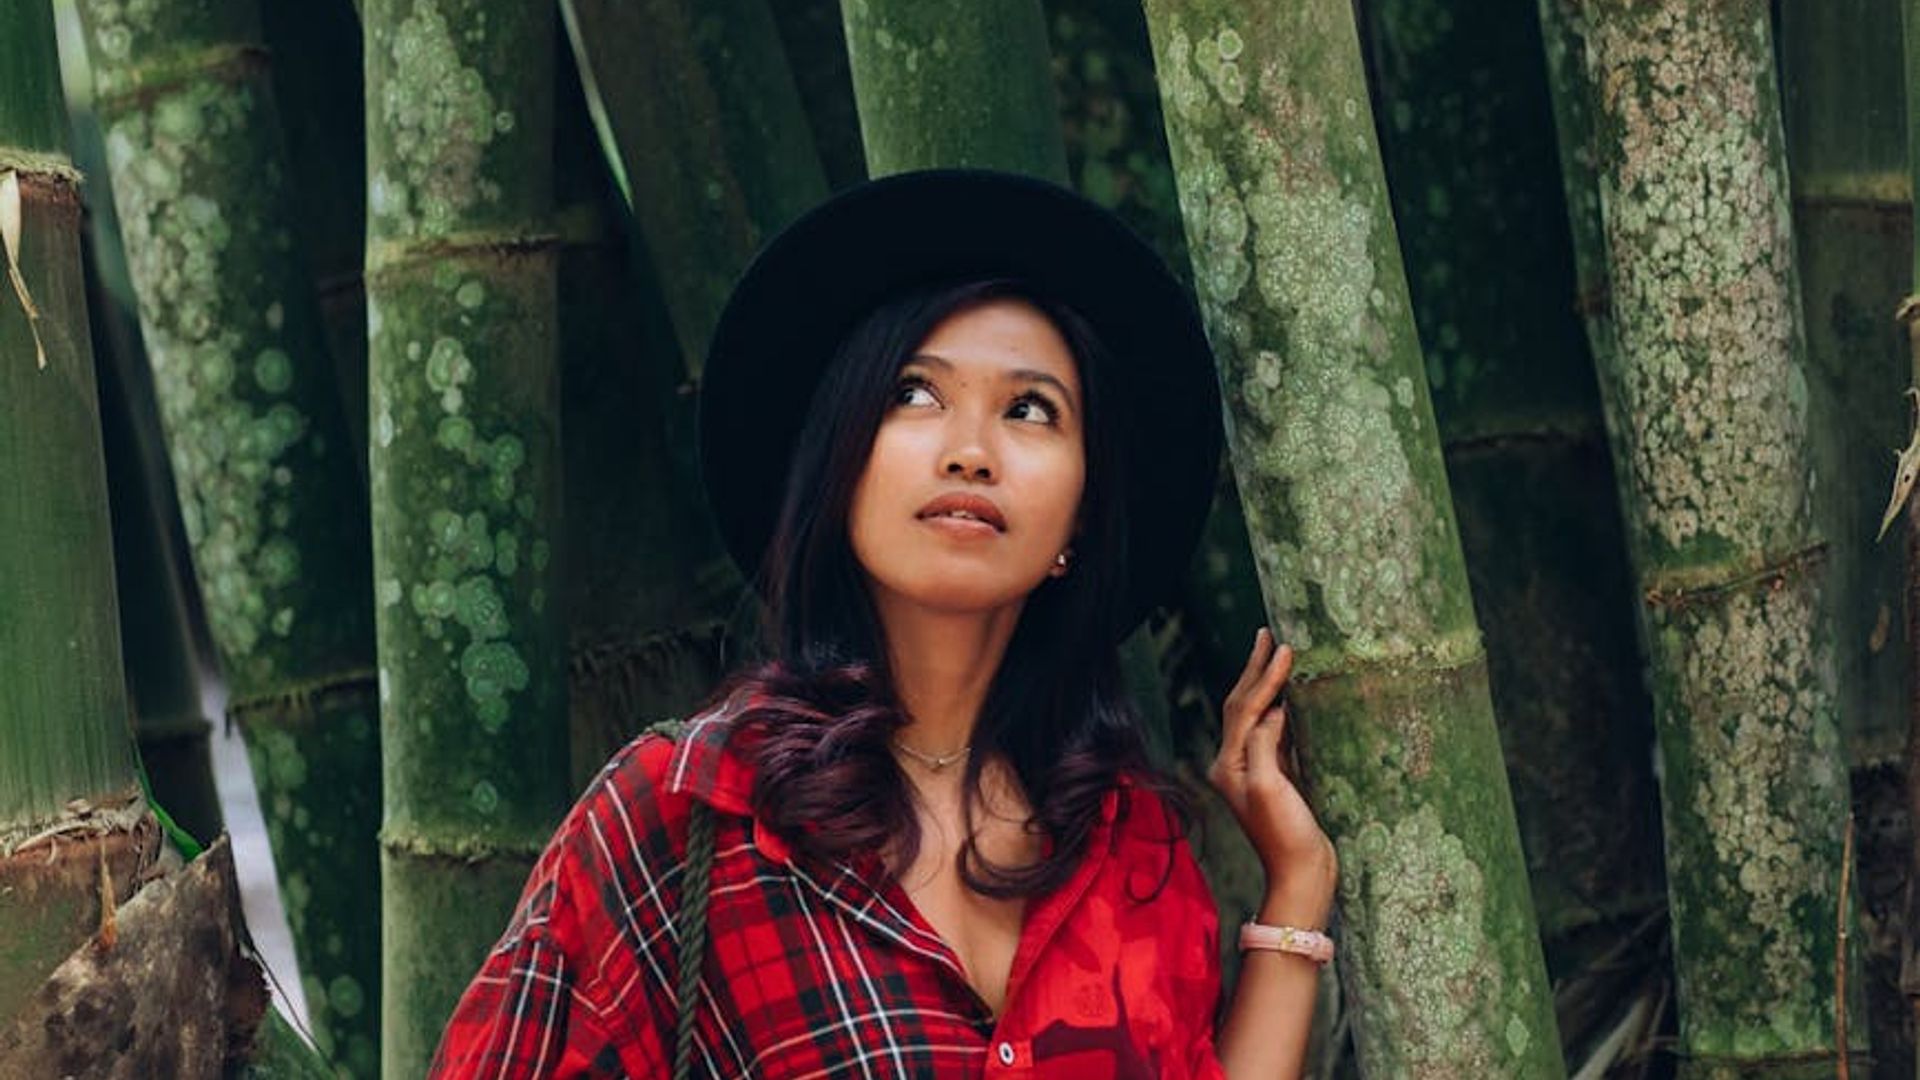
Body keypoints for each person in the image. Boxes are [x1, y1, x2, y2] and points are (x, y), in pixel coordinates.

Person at [428, 169, 1336, 1078]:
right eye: (915, 394)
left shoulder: (1129, 844)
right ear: (839, 465)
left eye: (1030, 410)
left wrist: (1296, 882)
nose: (971, 452)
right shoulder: (687, 811)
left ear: (1080, 522)